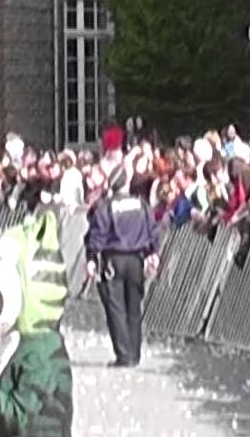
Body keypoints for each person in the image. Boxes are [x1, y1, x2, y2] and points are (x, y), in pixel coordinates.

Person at [86, 134, 159, 368]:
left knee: (115, 307)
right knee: (134, 307)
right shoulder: (141, 204)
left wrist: (91, 258)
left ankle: (123, 354)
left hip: (113, 259)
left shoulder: (106, 206)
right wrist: (152, 252)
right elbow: (151, 230)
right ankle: (135, 353)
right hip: (136, 259)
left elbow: (98, 233)